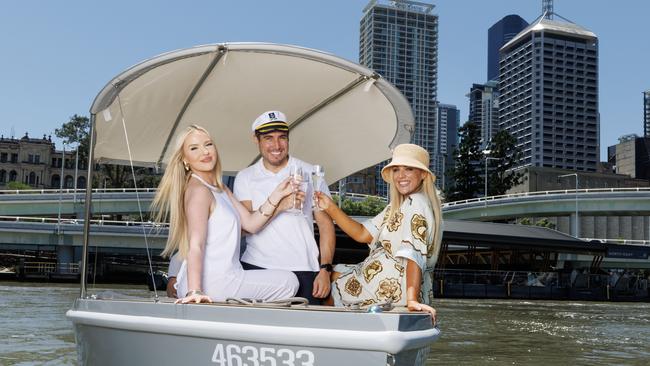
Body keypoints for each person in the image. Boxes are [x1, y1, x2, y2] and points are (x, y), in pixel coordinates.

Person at [152, 125, 299, 304]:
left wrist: (278, 195)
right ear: (185, 159)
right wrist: (195, 291)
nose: (204, 152)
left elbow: (252, 224)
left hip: (225, 278)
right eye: (194, 148)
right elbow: (195, 244)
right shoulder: (199, 190)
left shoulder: (219, 189)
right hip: (214, 284)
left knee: (287, 281)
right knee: (289, 282)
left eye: (208, 144)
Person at [315, 144, 441, 321]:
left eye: (409, 169)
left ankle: (328, 334)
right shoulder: (400, 205)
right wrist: (330, 206)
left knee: (326, 281)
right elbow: (362, 234)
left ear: (423, 175)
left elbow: (413, 254)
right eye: (396, 169)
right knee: (330, 271)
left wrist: (412, 300)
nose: (401, 176)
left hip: (389, 286)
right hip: (383, 279)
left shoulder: (416, 203)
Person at [234, 111, 336, 304]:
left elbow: (325, 225)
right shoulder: (245, 177)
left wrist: (325, 269)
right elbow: (244, 228)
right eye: (268, 138)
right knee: (256, 332)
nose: (276, 145)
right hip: (256, 267)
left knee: (306, 332)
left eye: (282, 138)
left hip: (305, 270)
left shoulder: (310, 173)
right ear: (256, 140)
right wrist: (280, 206)